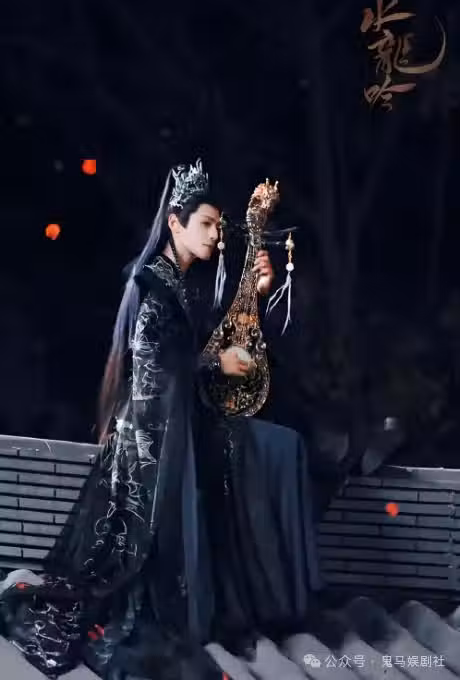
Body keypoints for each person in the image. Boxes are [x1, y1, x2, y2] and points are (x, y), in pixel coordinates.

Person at [0, 160, 322, 679]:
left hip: (183, 425)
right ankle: (253, 602)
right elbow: (156, 371)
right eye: (206, 225)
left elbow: (203, 350)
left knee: (284, 448)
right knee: (270, 451)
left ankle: (277, 599)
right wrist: (215, 365)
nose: (215, 235)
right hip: (155, 439)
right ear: (175, 223)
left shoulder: (180, 285)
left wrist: (256, 296)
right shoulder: (153, 286)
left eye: (218, 226)